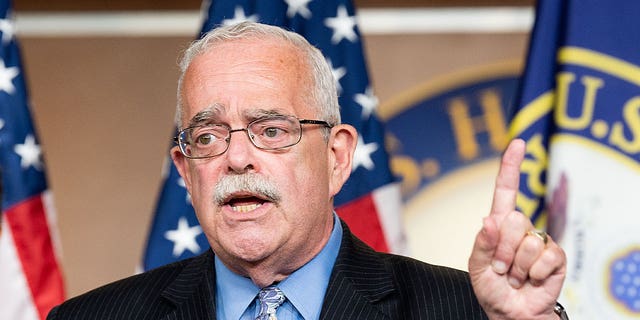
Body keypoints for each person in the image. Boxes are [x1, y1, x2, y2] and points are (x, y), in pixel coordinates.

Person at [47, 21, 567, 320]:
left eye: (271, 130)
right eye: (207, 136)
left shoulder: (464, 312)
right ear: (186, 171)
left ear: (337, 157)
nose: (237, 157)